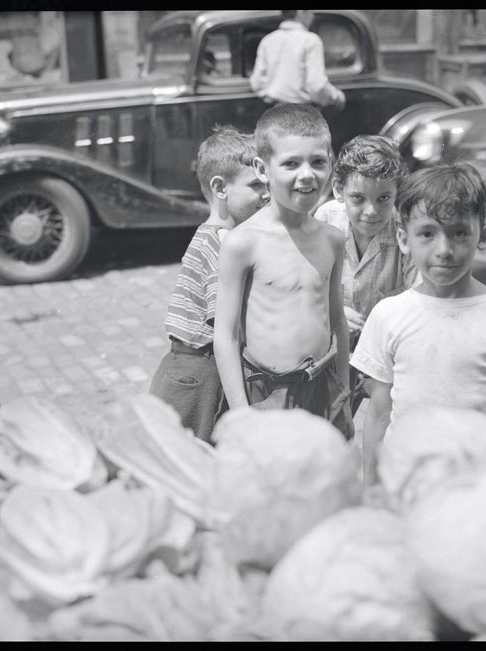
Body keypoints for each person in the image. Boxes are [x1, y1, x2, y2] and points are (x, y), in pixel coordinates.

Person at [351, 163, 486, 484]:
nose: (443, 250)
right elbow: (378, 413)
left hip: (483, 484)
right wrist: (372, 488)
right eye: (427, 234)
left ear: (482, 236)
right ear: (403, 239)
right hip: (407, 483)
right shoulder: (388, 315)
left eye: (458, 233)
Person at [213, 103, 354, 438]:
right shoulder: (243, 243)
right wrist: (242, 415)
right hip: (265, 393)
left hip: (321, 388)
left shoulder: (332, 240)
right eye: (291, 163)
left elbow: (337, 321)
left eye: (318, 162)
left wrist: (344, 395)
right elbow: (226, 335)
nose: (307, 174)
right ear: (263, 169)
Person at [149, 125, 268, 443]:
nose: (267, 193)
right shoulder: (223, 243)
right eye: (256, 185)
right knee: (186, 461)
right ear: (220, 188)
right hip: (198, 375)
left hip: (192, 368)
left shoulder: (214, 234)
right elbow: (226, 324)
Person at [313, 134, 418, 412]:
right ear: (338, 189)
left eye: (384, 198)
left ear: (398, 194)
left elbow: (418, 297)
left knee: (388, 424)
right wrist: (333, 308)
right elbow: (310, 281)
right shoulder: (326, 218)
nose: (371, 211)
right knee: (330, 419)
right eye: (358, 198)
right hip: (333, 344)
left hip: (388, 351)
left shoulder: (405, 232)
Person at [249, 10, 346, 110]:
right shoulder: (311, 40)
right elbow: (316, 86)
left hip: (276, 112)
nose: (312, 16)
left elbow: (257, 83)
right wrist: (335, 96)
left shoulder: (268, 40)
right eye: (309, 11)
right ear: (300, 12)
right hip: (303, 113)